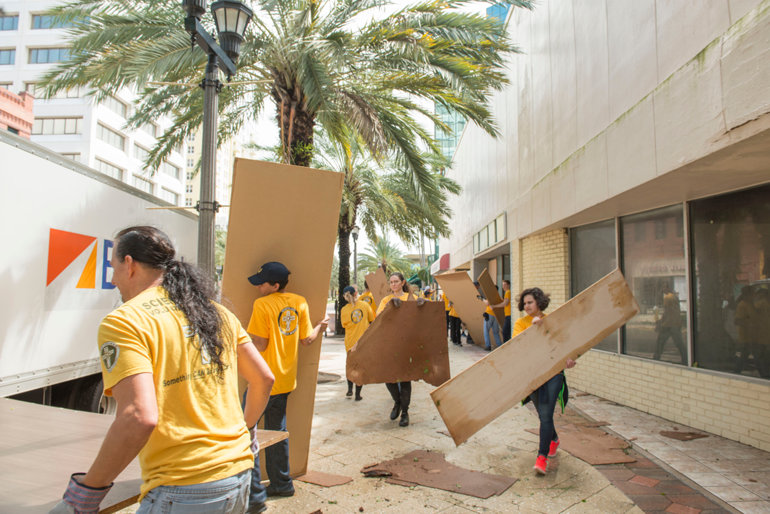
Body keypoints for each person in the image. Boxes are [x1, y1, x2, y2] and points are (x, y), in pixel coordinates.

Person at [50, 226, 275, 514]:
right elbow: (264, 379)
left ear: (129, 264)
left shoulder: (125, 321)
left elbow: (138, 416)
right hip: (239, 475)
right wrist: (246, 432)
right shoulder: (217, 312)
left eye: (113, 268)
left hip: (184, 487)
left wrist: (86, 495)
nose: (113, 279)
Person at [246, 262, 329, 509]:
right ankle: (282, 484)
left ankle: (253, 494)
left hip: (262, 381)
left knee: (245, 432)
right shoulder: (299, 302)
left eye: (262, 283)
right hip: (285, 380)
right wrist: (321, 326)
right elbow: (307, 340)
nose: (258, 286)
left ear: (275, 285)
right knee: (277, 432)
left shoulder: (262, 304)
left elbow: (260, 344)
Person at [513, 287, 576, 475]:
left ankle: (541, 458)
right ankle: (553, 440)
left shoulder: (552, 321)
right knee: (542, 414)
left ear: (539, 302)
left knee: (547, 414)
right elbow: (518, 347)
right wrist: (534, 329)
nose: (526, 306)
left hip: (553, 373)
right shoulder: (520, 323)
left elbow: (562, 344)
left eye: (530, 302)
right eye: (524, 303)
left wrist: (569, 358)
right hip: (532, 374)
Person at [376, 272, 425, 427]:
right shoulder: (386, 300)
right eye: (391, 282)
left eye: (396, 281)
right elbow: (379, 319)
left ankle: (404, 412)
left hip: (407, 344)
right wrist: (390, 307)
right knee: (388, 377)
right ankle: (397, 402)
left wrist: (423, 305)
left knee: (405, 379)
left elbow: (423, 317)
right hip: (390, 343)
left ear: (403, 283)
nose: (393, 285)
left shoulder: (412, 298)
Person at [341, 285, 374, 400]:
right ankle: (358, 395)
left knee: (350, 366)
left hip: (350, 342)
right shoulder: (364, 305)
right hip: (362, 342)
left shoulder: (344, 310)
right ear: (356, 294)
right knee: (360, 368)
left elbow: (344, 325)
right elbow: (371, 320)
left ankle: (349, 389)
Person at [652, 282, 686, 364]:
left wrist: (660, 322)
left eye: (664, 288)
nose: (662, 290)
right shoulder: (675, 297)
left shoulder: (667, 298)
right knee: (679, 343)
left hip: (667, 325)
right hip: (676, 324)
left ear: (667, 288)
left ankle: (656, 358)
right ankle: (686, 359)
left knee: (660, 342)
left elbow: (667, 312)